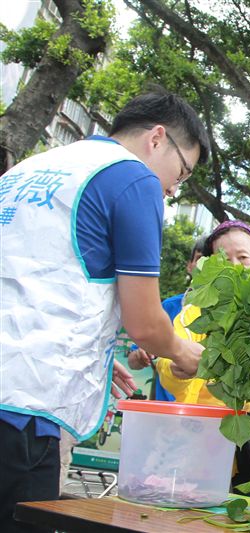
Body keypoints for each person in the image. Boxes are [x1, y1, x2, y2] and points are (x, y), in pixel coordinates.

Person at [0, 91, 209, 532]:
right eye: (182, 172)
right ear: (157, 138)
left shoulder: (35, 167)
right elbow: (146, 323)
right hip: (22, 409)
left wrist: (94, 350)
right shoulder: (132, 179)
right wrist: (182, 352)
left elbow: (36, 279)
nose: (173, 188)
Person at [130, 219, 250, 499]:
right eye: (225, 259)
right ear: (211, 264)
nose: (235, 265)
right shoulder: (194, 313)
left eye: (243, 257)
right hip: (205, 441)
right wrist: (177, 370)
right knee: (201, 518)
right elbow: (169, 360)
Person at [128, 235, 207, 401]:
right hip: (166, 412)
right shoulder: (169, 307)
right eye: (200, 258)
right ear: (189, 266)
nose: (205, 265)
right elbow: (133, 361)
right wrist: (140, 356)